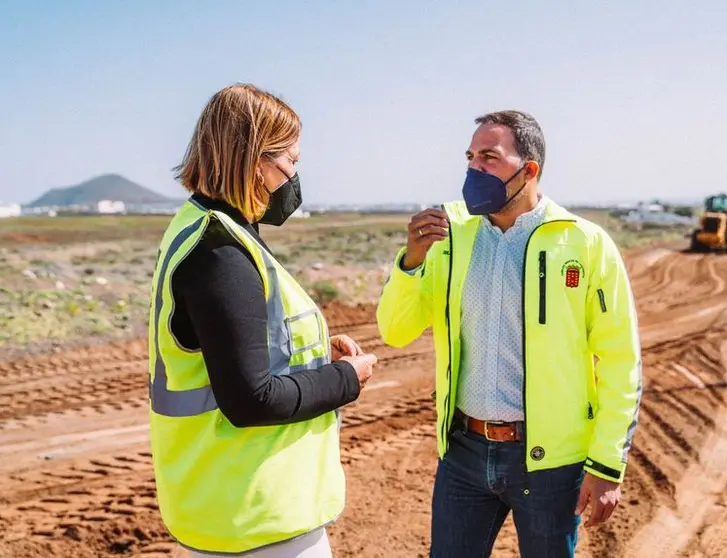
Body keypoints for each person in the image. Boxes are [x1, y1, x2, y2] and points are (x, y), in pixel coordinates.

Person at [376, 110, 642, 557]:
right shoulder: (450, 237)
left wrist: (607, 465)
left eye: (489, 157)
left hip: (549, 465)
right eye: (470, 157)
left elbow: (620, 360)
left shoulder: (583, 243)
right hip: (463, 454)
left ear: (529, 169)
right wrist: (411, 263)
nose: (474, 168)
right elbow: (395, 331)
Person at [148, 83, 378, 557]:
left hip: (234, 510)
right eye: (290, 161)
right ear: (255, 160)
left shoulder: (205, 228)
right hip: (256, 520)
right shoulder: (221, 254)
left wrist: (313, 352)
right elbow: (252, 399)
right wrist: (344, 379)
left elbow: (237, 344)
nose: (295, 176)